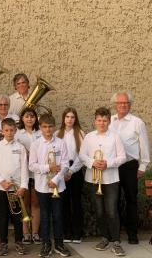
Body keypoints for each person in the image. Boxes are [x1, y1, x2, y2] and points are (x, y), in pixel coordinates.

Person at [79, 107, 127, 256]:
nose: (102, 123)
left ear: (109, 121)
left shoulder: (115, 136)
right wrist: (93, 162)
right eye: (99, 120)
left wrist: (108, 163)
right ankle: (105, 238)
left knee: (112, 211)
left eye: (105, 120)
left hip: (111, 179)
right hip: (94, 179)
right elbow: (82, 155)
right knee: (99, 211)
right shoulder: (89, 137)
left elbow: (122, 156)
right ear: (95, 121)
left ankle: (116, 242)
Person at [110, 92, 150, 244]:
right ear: (115, 105)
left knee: (131, 200)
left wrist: (143, 165)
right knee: (114, 201)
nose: (123, 105)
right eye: (120, 103)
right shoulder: (110, 121)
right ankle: (116, 234)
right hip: (113, 166)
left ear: (130, 105)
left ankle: (133, 234)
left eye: (126, 103)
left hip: (130, 167)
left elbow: (144, 145)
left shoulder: (137, 122)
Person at [29, 114, 70, 257]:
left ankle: (59, 244)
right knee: (45, 216)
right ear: (40, 128)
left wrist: (56, 179)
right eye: (45, 127)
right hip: (42, 186)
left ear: (54, 127)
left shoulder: (61, 143)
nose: (48, 129)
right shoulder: (35, 144)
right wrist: (48, 168)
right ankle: (46, 244)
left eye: (50, 126)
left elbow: (65, 164)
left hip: (58, 185)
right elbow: (32, 165)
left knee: (58, 216)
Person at [0, 118, 28, 256]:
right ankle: (3, 243)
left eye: (12, 130)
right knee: (3, 216)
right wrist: (1, 181)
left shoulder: (20, 148)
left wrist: (23, 186)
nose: (9, 132)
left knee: (17, 216)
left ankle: (19, 241)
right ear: (2, 131)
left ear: (16, 131)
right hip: (2, 188)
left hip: (16, 189)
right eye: (6, 130)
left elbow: (24, 168)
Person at [56, 108, 85, 244]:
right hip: (62, 171)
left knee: (76, 202)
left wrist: (71, 171)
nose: (69, 119)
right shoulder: (57, 134)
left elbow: (82, 156)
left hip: (76, 170)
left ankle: (77, 233)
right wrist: (63, 171)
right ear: (63, 118)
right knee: (64, 202)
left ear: (75, 119)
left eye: (72, 117)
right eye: (67, 116)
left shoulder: (80, 133)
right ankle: (66, 232)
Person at [15, 108, 41, 245]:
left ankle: (35, 233)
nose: (29, 119)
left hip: (37, 174)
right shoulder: (18, 134)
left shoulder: (40, 133)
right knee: (24, 204)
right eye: (27, 116)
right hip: (24, 173)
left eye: (32, 116)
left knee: (35, 203)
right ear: (22, 118)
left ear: (36, 118)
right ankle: (25, 233)